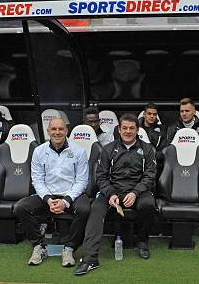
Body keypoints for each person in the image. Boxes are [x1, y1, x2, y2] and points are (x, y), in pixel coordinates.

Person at [74, 113, 157, 275]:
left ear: (137, 130)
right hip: (112, 191)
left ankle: (142, 241)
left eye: (131, 128)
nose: (128, 131)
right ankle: (90, 259)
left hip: (138, 191)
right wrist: (110, 193)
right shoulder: (108, 149)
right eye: (124, 128)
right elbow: (101, 176)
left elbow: (150, 175)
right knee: (95, 209)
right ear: (119, 129)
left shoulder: (147, 149)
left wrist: (135, 192)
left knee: (149, 205)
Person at [13, 118, 90, 267]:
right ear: (48, 131)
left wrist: (65, 201)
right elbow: (37, 180)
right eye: (53, 129)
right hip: (47, 195)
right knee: (20, 207)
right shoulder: (39, 151)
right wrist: (48, 199)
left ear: (66, 131)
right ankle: (39, 246)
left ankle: (69, 248)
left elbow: (82, 181)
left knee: (85, 209)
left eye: (61, 129)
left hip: (71, 195)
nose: (57, 132)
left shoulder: (79, 151)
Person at [166, 98, 199, 217]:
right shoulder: (172, 128)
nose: (184, 114)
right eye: (182, 111)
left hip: (198, 161)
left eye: (187, 111)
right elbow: (168, 149)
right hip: (177, 161)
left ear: (194, 111)